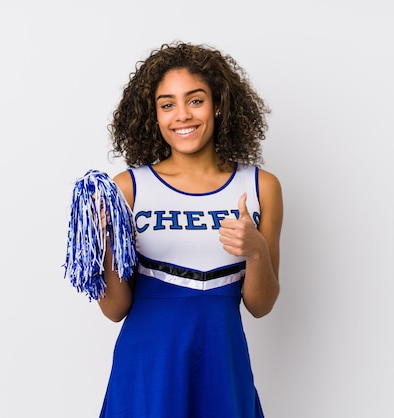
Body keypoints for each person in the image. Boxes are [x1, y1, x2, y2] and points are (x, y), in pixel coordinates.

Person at [97, 41, 283, 418]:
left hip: (222, 364)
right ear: (153, 115)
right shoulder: (128, 188)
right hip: (147, 368)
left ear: (218, 104)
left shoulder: (261, 186)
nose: (182, 115)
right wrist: (103, 243)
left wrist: (256, 249)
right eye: (167, 104)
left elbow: (260, 306)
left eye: (195, 100)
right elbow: (116, 309)